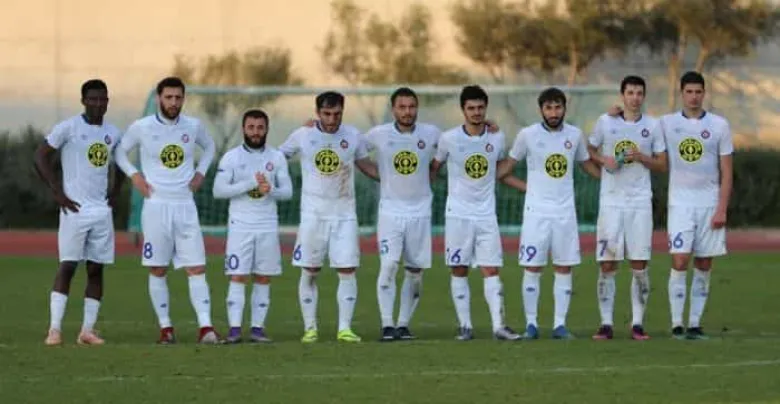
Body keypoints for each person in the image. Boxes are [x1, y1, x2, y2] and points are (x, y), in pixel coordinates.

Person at [114, 76, 220, 344]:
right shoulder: (142, 127)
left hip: (185, 205)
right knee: (158, 269)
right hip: (156, 206)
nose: (174, 102)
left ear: (183, 99)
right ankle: (165, 328)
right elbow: (119, 152)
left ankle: (206, 328)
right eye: (169, 97)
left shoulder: (193, 126)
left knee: (196, 268)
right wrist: (134, 175)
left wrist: (201, 172)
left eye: (178, 98)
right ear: (158, 98)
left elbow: (210, 147)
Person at [496, 87, 601, 340]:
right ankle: (531, 325)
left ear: (564, 108)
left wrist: (612, 180)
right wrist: (528, 188)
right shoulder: (527, 135)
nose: (554, 113)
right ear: (541, 110)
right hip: (536, 213)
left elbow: (587, 165)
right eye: (549, 108)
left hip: (565, 213)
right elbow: (503, 172)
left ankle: (559, 325)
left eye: (558, 107)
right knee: (532, 267)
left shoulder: (574, 135)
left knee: (564, 267)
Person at [279, 91, 379, 343]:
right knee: (310, 270)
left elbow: (366, 164)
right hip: (313, 215)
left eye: (337, 114)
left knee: (347, 270)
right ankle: (310, 328)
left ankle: (345, 328)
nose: (332, 119)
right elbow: (278, 157)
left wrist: (395, 179)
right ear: (317, 113)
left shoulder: (352, 135)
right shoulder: (303, 135)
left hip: (344, 215)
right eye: (327, 114)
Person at [431, 85, 524, 341]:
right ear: (463, 110)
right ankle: (465, 326)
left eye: (480, 107)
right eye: (471, 108)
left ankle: (499, 326)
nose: (476, 112)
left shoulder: (496, 137)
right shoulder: (449, 139)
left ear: (486, 108)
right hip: (458, 215)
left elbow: (499, 171)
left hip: (486, 215)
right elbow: (434, 168)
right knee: (459, 269)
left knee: (491, 269)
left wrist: (529, 188)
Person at [34, 79, 123, 346]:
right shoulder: (69, 127)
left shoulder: (113, 132)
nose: (98, 104)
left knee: (96, 270)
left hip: (101, 212)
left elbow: (120, 164)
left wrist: (116, 190)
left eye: (103, 99)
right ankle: (54, 330)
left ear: (108, 101)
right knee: (68, 266)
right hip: (74, 209)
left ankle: (87, 331)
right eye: (93, 99)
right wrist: (57, 191)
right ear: (83, 101)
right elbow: (40, 156)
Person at [587, 75, 667, 340]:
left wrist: (641, 157)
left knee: (639, 263)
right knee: (607, 263)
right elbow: (588, 150)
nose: (635, 97)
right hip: (611, 202)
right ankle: (606, 324)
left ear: (644, 96)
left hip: (639, 202)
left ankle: (637, 324)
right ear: (622, 95)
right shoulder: (605, 121)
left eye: (639, 93)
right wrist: (604, 161)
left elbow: (662, 164)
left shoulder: (653, 125)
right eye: (630, 93)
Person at [662, 71, 733, 340]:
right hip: (680, 204)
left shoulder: (719, 125)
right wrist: (616, 114)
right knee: (680, 259)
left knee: (703, 262)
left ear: (704, 93)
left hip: (709, 204)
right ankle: (676, 323)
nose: (694, 97)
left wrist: (722, 208)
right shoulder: (667, 123)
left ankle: (694, 323)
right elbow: (637, 127)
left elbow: (727, 171)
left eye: (698, 92)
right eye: (689, 92)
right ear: (682, 93)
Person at [213, 109, 292, 343]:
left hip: (267, 226)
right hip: (240, 226)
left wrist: (271, 190)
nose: (255, 132)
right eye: (251, 127)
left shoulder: (276, 157)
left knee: (263, 277)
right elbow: (218, 191)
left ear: (267, 129)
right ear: (243, 129)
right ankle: (234, 330)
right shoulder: (231, 157)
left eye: (260, 127)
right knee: (238, 275)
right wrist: (250, 184)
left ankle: (257, 329)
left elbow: (288, 192)